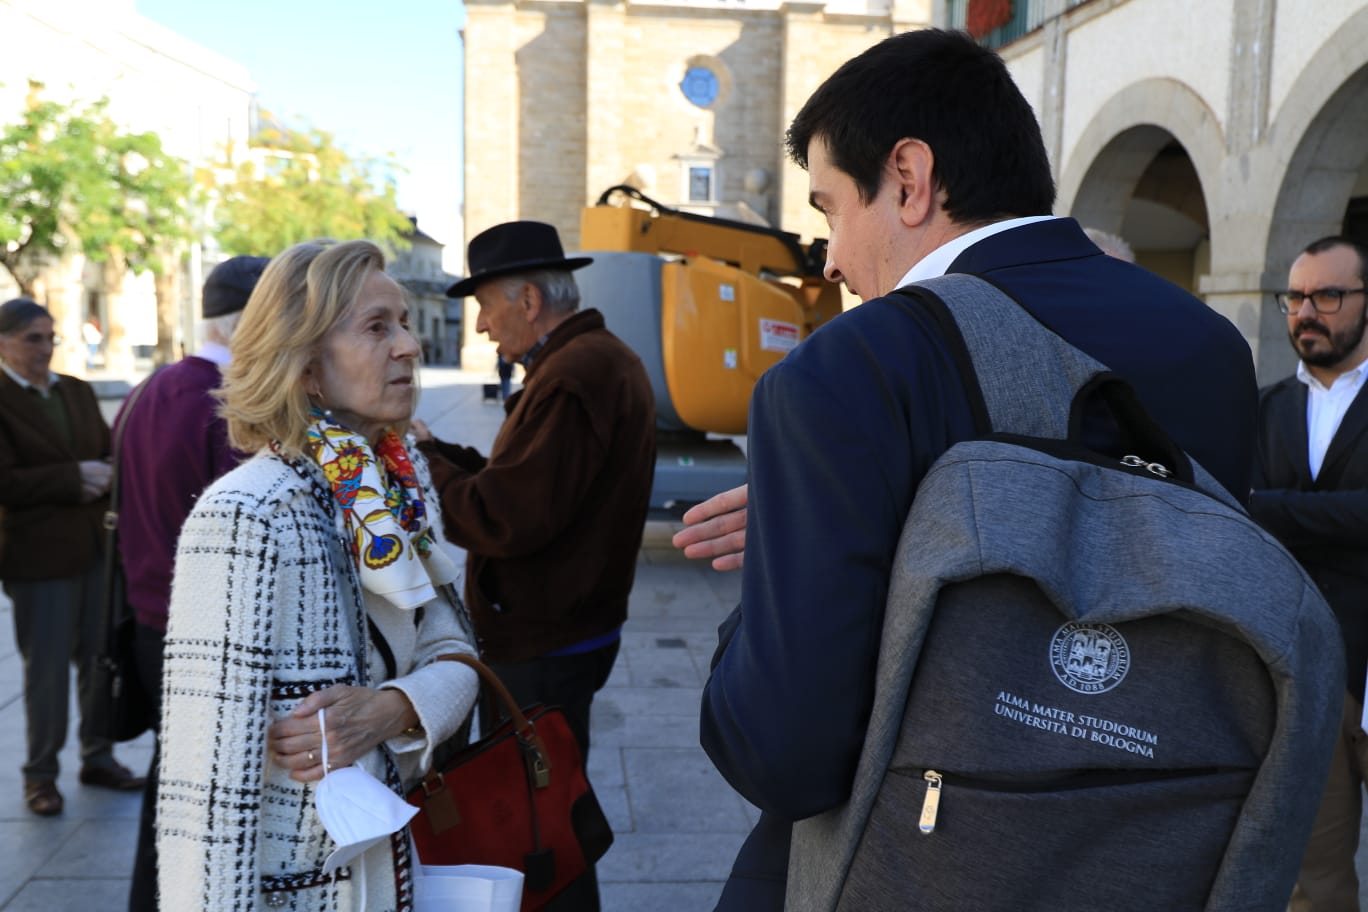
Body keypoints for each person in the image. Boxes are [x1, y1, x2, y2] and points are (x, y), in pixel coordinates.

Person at [676, 29, 1258, 910]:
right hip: (1154, 858)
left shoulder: (847, 369)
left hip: (907, 870)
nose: (829, 257)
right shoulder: (1210, 345)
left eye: (831, 207)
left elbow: (782, 751)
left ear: (907, 179)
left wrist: (785, 562)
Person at [155, 240, 480, 910]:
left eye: (405, 322)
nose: (409, 346)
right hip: (301, 890)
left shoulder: (401, 479)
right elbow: (205, 791)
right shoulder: (247, 513)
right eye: (376, 327)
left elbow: (456, 643)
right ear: (305, 367)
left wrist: (396, 709)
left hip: (395, 865)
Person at [413, 219, 655, 911]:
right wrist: (447, 457)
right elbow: (524, 484)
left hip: (548, 640)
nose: (484, 327)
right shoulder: (583, 363)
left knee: (541, 812)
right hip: (562, 630)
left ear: (527, 301)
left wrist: (421, 467)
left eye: (486, 306)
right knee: (543, 795)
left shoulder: (578, 374)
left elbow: (507, 515)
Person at [115, 255, 269, 911]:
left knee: (174, 785)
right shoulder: (221, 402)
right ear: (246, 325)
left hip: (151, 619)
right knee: (198, 799)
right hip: (197, 629)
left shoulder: (152, 388)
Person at [1249, 235, 1368, 912]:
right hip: (1306, 672)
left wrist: (1280, 508)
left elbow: (1263, 508)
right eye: (1295, 298)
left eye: (1327, 295)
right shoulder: (1266, 410)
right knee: (1313, 884)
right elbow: (1244, 518)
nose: (1306, 312)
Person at [0, 297, 144, 817]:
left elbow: (108, 452)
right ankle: (40, 775)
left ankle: (98, 756)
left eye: (49, 337)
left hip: (97, 550)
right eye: (30, 339)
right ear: (3, 343)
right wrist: (72, 478)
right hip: (38, 556)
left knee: (100, 659)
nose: (43, 348)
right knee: (46, 674)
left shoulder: (77, 391)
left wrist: (103, 471)